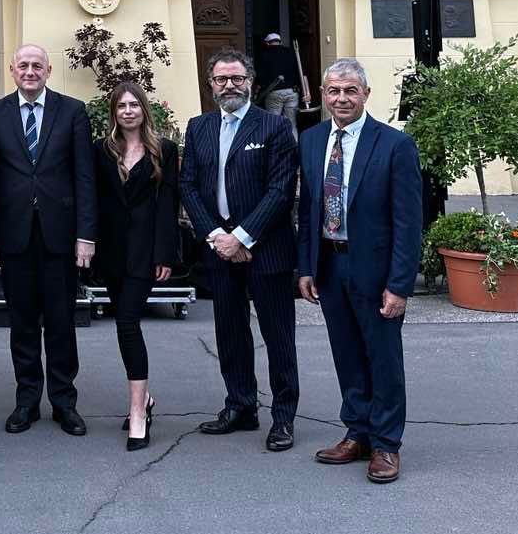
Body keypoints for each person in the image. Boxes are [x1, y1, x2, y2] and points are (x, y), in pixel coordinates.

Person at [298, 59, 423, 484]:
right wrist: (306, 267)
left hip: (376, 269)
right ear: (322, 94)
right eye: (334, 91)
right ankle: (358, 433)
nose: (341, 98)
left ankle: (386, 443)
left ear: (366, 94)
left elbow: (408, 222)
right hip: (330, 264)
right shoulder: (312, 140)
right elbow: (308, 209)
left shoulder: (395, 145)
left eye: (350, 90)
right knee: (347, 353)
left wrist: (399, 285)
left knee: (382, 357)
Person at [179, 47, 301, 452]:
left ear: (250, 82)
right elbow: (188, 187)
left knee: (278, 336)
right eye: (221, 79)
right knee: (230, 333)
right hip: (218, 249)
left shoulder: (274, 127)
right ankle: (241, 406)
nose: (229, 85)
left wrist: (243, 238)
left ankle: (283, 416)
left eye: (237, 78)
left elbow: (280, 190)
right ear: (210, 84)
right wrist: (219, 237)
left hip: (266, 249)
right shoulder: (198, 127)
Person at [0, 45, 95, 437]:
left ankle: (64, 402)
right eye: (23, 66)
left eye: (37, 66)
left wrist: (85, 235)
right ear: (12, 70)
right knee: (23, 323)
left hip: (60, 236)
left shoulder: (72, 111)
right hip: (13, 236)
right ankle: (26, 400)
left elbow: (84, 177)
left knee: (62, 322)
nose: (30, 72)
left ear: (49, 71)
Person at [94, 82, 180, 451]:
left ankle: (137, 412)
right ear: (113, 113)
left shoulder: (165, 150)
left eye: (134, 105)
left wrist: (165, 254)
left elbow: (169, 203)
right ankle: (144, 397)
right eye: (121, 106)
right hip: (112, 251)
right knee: (123, 322)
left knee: (128, 322)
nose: (128, 111)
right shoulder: (101, 150)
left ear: (144, 109)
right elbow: (94, 199)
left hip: (146, 251)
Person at [255, 32, 308, 141]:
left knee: (274, 123)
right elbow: (300, 72)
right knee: (291, 123)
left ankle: (276, 148)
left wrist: (257, 91)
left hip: (274, 92)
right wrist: (305, 92)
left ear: (267, 43)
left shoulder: (264, 55)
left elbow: (260, 76)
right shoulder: (290, 52)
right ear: (279, 42)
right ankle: (294, 147)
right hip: (292, 91)